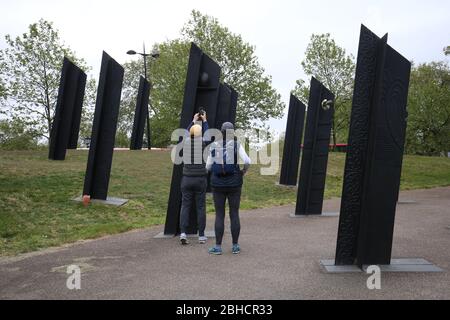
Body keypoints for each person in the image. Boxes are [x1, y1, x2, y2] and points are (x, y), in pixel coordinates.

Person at [206, 122, 251, 255]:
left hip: (218, 184)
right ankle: (235, 246)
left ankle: (218, 247)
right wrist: (243, 171)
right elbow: (247, 161)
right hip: (234, 183)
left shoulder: (214, 145)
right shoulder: (237, 145)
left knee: (219, 214)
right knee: (234, 213)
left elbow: (208, 166)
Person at [179, 111, 209, 245]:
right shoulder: (203, 143)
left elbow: (185, 134)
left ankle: (183, 233)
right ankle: (201, 235)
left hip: (186, 178)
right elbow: (208, 136)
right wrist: (205, 121)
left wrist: (193, 121)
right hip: (200, 179)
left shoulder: (185, 142)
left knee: (185, 206)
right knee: (201, 207)